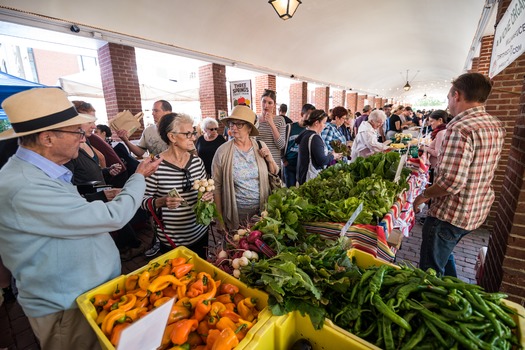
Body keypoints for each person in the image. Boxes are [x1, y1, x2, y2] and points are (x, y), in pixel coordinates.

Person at [0, 87, 161, 350]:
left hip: (82, 297)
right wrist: (139, 177)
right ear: (47, 138)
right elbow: (114, 216)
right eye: (76, 131)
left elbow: (68, 214)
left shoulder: (39, 171)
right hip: (66, 308)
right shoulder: (25, 184)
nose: (83, 135)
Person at [413, 73, 506, 277]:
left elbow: (451, 182)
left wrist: (422, 196)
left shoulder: (460, 128)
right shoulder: (494, 124)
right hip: (475, 209)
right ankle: (452, 291)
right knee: (444, 255)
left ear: (457, 95)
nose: (448, 104)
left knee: (430, 271)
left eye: (448, 98)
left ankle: (434, 303)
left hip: (451, 213)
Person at [141, 113, 212, 259]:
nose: (193, 138)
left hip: (200, 233)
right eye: (187, 134)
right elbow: (140, 201)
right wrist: (160, 202)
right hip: (171, 239)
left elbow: (206, 188)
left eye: (193, 133)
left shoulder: (197, 162)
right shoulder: (155, 166)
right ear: (172, 137)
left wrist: (208, 196)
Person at [212, 105, 279, 231]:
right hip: (235, 213)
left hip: (262, 212)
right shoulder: (222, 152)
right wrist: (219, 219)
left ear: (249, 127)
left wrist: (270, 159)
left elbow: (274, 172)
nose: (234, 128)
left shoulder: (260, 145)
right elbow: (216, 187)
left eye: (239, 124)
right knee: (236, 245)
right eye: (232, 124)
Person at [296, 110, 342, 185]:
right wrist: (333, 156)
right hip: (310, 178)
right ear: (316, 123)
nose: (325, 125)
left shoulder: (305, 133)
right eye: (323, 123)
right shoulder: (314, 138)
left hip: (302, 175)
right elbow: (322, 161)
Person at [282, 103, 315, 187]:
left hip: (303, 166)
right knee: (290, 191)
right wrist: (284, 160)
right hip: (290, 164)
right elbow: (282, 144)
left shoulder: (310, 130)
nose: (310, 118)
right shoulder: (289, 127)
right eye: (308, 115)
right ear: (302, 114)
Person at [256, 89, 286, 171]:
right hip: (258, 164)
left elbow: (281, 145)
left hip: (274, 165)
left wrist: (271, 124)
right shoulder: (254, 119)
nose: (266, 105)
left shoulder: (280, 120)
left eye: (270, 103)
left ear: (274, 104)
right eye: (264, 101)